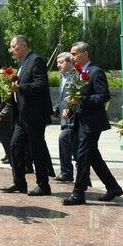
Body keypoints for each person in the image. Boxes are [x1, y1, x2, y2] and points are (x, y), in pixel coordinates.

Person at [62, 42, 123, 206]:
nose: (72, 57)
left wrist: (81, 100)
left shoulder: (96, 72)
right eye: (71, 54)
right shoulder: (77, 73)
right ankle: (113, 187)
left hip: (92, 123)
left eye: (75, 54)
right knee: (93, 157)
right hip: (79, 121)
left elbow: (104, 96)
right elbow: (77, 96)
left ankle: (78, 193)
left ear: (85, 54)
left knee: (82, 157)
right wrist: (70, 108)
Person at [0, 35, 53, 197]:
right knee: (14, 146)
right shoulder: (23, 63)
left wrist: (19, 87)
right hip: (22, 115)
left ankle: (43, 185)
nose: (11, 51)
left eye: (13, 47)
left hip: (34, 114)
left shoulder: (36, 60)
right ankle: (19, 182)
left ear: (23, 45)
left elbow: (40, 84)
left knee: (36, 149)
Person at [54, 52, 78, 183]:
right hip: (64, 117)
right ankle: (68, 173)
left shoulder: (77, 76)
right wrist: (56, 108)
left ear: (70, 62)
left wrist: (71, 109)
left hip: (74, 116)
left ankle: (67, 172)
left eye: (61, 62)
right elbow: (62, 96)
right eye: (57, 62)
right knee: (71, 144)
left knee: (65, 139)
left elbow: (77, 96)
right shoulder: (63, 77)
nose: (58, 65)